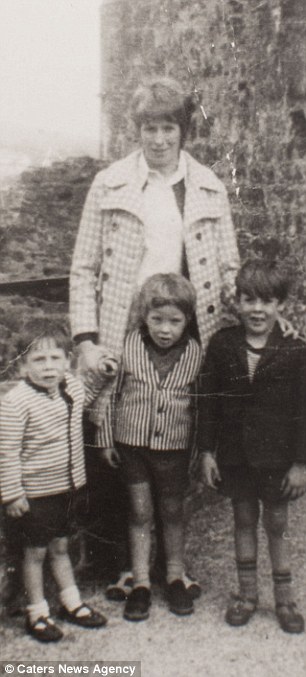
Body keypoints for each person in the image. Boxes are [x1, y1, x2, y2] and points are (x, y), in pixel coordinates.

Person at [70, 76, 240, 597]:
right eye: (149, 128)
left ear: (183, 130)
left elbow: (229, 265)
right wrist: (86, 339)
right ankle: (115, 562)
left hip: (185, 331)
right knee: (112, 433)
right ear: (137, 130)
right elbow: (83, 267)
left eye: (168, 127)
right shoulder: (111, 183)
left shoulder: (208, 185)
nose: (159, 139)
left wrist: (257, 312)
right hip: (123, 326)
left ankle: (171, 564)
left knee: (178, 432)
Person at [199, 259, 306, 634]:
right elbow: (208, 401)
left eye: (266, 301)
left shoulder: (295, 349)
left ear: (280, 304)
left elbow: (302, 411)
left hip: (278, 458)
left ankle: (286, 599)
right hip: (235, 456)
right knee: (243, 520)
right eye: (248, 300)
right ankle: (246, 595)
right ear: (237, 303)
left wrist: (300, 463)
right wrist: (207, 452)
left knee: (276, 523)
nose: (257, 309)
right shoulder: (222, 344)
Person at [0, 319, 109, 643]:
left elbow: (87, 395)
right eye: (39, 360)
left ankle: (71, 603)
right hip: (34, 494)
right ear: (22, 366)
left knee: (61, 547)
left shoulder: (70, 387)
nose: (48, 367)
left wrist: (104, 373)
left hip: (67, 488)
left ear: (68, 361)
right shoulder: (15, 402)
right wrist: (12, 495)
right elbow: (5, 452)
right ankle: (37, 612)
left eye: (55, 359)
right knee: (33, 554)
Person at [104, 273, 202, 620]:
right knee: (140, 511)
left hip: (174, 451)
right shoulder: (128, 345)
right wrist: (105, 440)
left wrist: (199, 451)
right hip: (133, 448)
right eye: (157, 319)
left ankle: (175, 575)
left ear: (188, 320)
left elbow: (202, 406)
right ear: (144, 316)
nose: (165, 329)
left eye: (175, 321)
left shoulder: (195, 353)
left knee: (173, 511)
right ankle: (141, 582)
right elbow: (109, 395)